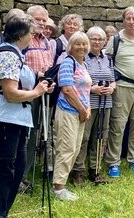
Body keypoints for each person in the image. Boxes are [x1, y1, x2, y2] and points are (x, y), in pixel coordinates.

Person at [0, 14, 54, 218]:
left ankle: (1, 213)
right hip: (2, 121)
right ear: (21, 34)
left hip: (15, 121)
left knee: (16, 171)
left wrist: (42, 86)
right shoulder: (7, 55)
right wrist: (37, 92)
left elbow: (22, 86)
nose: (33, 37)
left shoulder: (17, 55)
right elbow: (11, 93)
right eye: (31, 33)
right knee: (3, 173)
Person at [105, 7, 134, 177]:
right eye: (128, 18)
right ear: (123, 20)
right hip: (122, 87)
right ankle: (113, 163)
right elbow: (107, 62)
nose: (131, 21)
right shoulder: (115, 40)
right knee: (118, 125)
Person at [70, 27, 115, 185]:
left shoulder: (108, 58)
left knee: (101, 136)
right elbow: (77, 81)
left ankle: (95, 170)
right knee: (84, 137)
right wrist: (93, 89)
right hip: (87, 102)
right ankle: (78, 171)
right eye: (93, 39)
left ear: (104, 42)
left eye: (100, 39)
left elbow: (113, 78)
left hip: (105, 103)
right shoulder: (82, 58)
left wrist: (112, 88)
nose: (97, 42)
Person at [53, 32, 92, 201]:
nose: (81, 47)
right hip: (68, 110)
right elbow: (67, 89)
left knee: (75, 148)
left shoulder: (83, 64)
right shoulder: (68, 63)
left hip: (80, 111)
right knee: (67, 149)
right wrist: (82, 110)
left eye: (84, 44)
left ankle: (62, 183)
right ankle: (58, 188)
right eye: (77, 44)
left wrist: (87, 108)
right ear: (70, 46)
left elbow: (86, 90)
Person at [20, 5, 55, 193]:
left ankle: (26, 173)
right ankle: (19, 176)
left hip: (42, 92)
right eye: (38, 19)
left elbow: (48, 66)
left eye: (44, 20)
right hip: (25, 94)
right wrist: (37, 75)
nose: (41, 23)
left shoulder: (46, 42)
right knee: (24, 136)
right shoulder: (23, 38)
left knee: (35, 135)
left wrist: (49, 81)